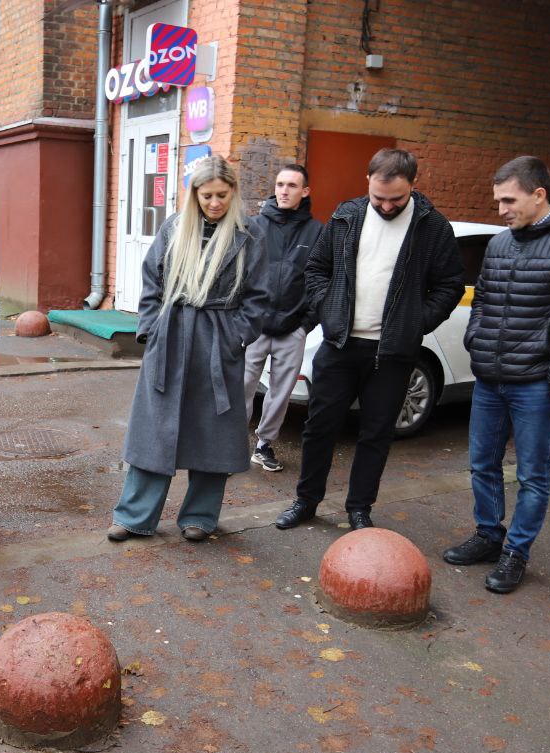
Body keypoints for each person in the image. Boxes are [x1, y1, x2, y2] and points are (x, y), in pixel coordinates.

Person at [442, 156, 550, 593]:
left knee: (533, 473)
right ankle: (488, 536)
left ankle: (517, 551)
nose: (501, 210)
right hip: (489, 378)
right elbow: (481, 302)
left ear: (539, 195)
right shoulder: (500, 243)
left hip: (535, 383)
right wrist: (475, 341)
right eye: (497, 201)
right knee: (482, 463)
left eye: (508, 200)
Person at [275, 148, 463, 532]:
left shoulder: (433, 227)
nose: (387, 205)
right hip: (340, 344)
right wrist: (327, 309)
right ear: (368, 182)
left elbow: (449, 285)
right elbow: (316, 269)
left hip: (392, 352)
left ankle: (359, 508)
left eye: (396, 198)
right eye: (379, 197)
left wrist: (417, 324)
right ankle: (306, 501)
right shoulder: (347, 215)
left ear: (414, 184)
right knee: (320, 427)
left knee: (376, 433)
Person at [108, 155, 270, 542]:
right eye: (206, 195)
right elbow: (152, 283)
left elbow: (260, 296)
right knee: (154, 431)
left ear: (233, 192)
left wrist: (237, 335)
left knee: (212, 432)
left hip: (218, 340)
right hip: (172, 336)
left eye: (221, 195)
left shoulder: (250, 234)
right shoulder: (173, 228)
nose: (214, 203)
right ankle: (134, 515)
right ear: (194, 194)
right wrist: (151, 331)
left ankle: (200, 516)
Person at [243, 164, 324, 472]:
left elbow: (321, 281)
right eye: (280, 184)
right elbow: (241, 274)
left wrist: (306, 324)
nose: (284, 191)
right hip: (256, 326)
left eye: (292, 185)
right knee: (243, 386)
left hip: (293, 328)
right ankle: (235, 444)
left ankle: (263, 445)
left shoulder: (317, 231)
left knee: (281, 392)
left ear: (305, 191)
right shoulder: (254, 226)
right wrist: (245, 316)